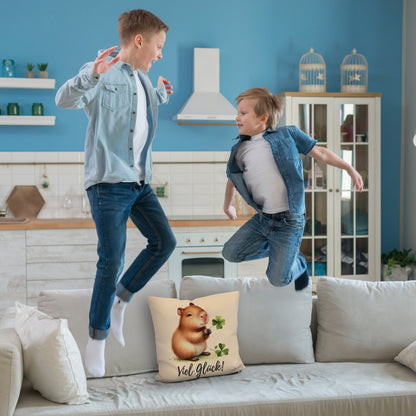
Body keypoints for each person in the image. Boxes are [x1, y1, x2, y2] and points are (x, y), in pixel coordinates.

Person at [55, 9, 176, 377]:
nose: (160, 54)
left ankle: (122, 299)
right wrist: (90, 75)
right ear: (138, 41)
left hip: (139, 183)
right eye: (158, 46)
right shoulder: (101, 75)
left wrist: (161, 95)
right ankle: (97, 340)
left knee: (164, 243)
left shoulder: (142, 81)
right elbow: (64, 99)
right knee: (112, 259)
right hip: (108, 183)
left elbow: (138, 119)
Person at [222, 87, 363, 290]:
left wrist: (348, 168)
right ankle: (282, 252)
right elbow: (232, 179)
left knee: (277, 279)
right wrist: (228, 206)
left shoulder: (287, 135)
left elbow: (321, 153)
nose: (237, 117)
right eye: (237, 113)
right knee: (230, 253)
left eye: (243, 113)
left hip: (290, 221)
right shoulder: (239, 150)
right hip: (264, 219)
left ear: (263, 118)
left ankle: (298, 263)